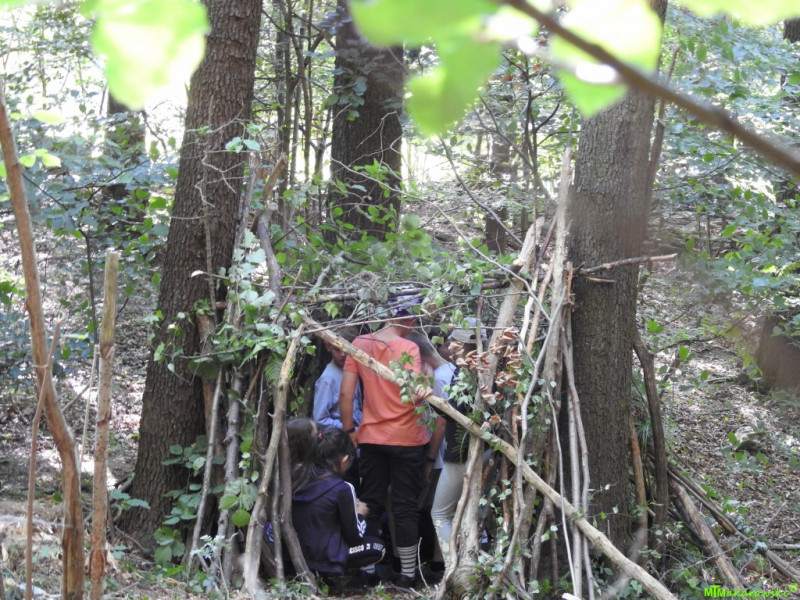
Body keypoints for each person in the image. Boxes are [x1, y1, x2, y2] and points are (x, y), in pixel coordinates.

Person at [338, 295, 430, 588]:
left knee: (371, 502)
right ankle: (407, 575)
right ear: (410, 319)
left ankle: (366, 571)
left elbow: (346, 393)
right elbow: (414, 394)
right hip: (408, 439)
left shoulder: (360, 344)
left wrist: (350, 430)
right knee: (405, 506)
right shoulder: (408, 347)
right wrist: (427, 381)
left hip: (371, 437)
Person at [292, 427, 384, 591]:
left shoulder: (298, 477)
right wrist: (360, 513)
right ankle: (334, 576)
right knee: (377, 547)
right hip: (325, 560)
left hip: (295, 554)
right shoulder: (342, 488)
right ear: (344, 460)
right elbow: (354, 536)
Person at [428, 318, 487, 567]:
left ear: (462, 345)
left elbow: (459, 415)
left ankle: (456, 568)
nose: (450, 346)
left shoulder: (467, 372)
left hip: (462, 453)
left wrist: (431, 400)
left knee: (440, 513)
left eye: (454, 342)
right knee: (472, 511)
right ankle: (474, 565)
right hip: (483, 451)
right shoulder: (486, 367)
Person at [313, 331, 363, 430]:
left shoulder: (352, 371)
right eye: (337, 349)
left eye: (346, 349)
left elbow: (358, 407)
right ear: (328, 346)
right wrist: (349, 429)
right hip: (341, 436)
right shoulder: (327, 380)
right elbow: (320, 420)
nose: (343, 354)